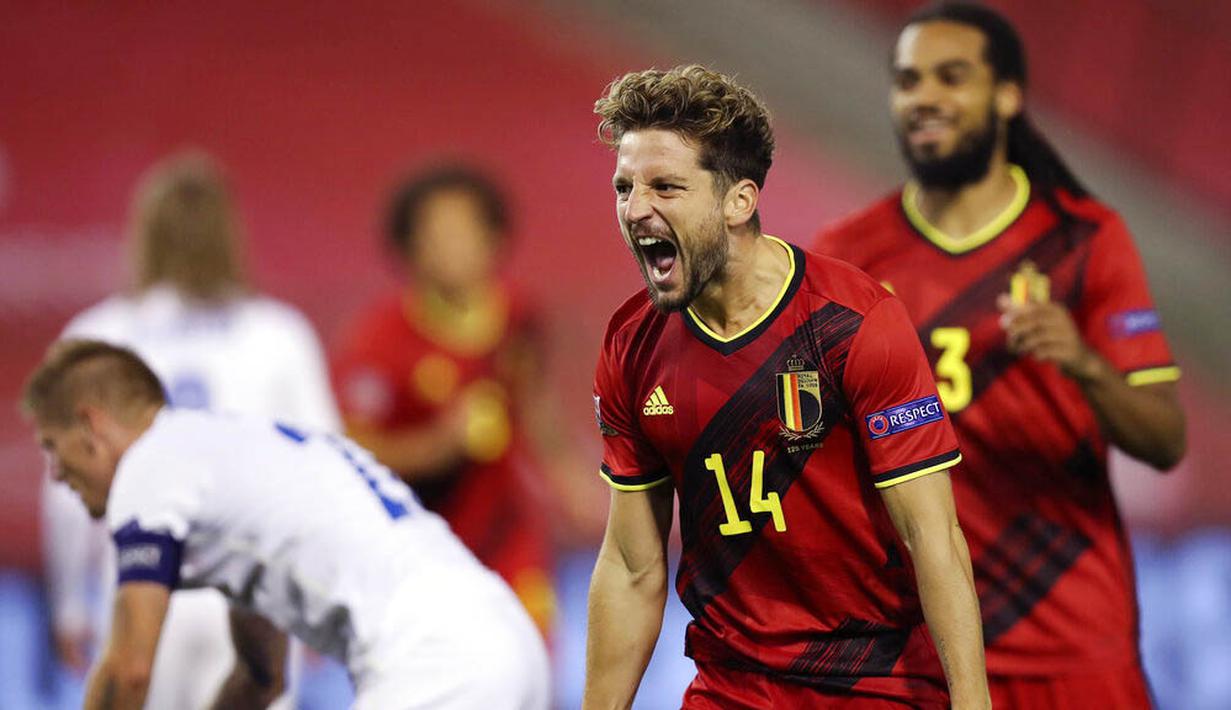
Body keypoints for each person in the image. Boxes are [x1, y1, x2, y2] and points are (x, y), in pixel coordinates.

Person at [814, 4, 1186, 708]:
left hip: (1066, 637)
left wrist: (1081, 362)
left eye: (950, 77)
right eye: (907, 80)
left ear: (1007, 95)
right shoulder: (846, 256)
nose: (922, 96)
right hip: (916, 645)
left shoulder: (1081, 240)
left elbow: (1163, 441)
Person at [584, 64, 989, 709]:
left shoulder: (853, 325)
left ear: (738, 201)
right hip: (731, 683)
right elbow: (633, 568)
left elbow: (932, 541)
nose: (636, 210)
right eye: (624, 187)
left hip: (875, 680)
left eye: (665, 186)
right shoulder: (631, 345)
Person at [24, 339, 551, 710]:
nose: (55, 472)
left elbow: (129, 670)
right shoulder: (233, 455)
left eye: (53, 445)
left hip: (436, 663)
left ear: (91, 426)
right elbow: (260, 680)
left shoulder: (149, 464)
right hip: (504, 642)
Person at [41, 151, 340, 707]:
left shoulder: (98, 338)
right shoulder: (277, 334)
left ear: (143, 235)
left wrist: (68, 604)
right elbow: (325, 465)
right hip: (254, 591)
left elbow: (65, 490)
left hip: (142, 585)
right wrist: (319, 594)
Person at [333, 165, 598, 635]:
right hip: (422, 550)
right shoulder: (378, 344)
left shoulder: (519, 315)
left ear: (495, 237)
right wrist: (440, 446)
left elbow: (534, 405)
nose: (453, 246)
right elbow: (349, 450)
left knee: (531, 666)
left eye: (466, 230)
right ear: (408, 248)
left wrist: (577, 485)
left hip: (511, 539)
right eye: (437, 234)